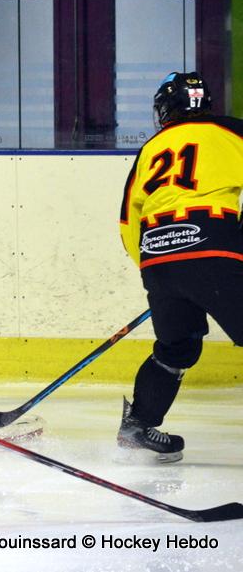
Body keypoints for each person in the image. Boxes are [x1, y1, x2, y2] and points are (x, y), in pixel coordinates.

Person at [117, 71, 243, 462]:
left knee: (177, 348)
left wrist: (155, 268)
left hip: (157, 256)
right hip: (213, 248)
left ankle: (137, 426)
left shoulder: (151, 149)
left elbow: (127, 220)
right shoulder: (231, 131)